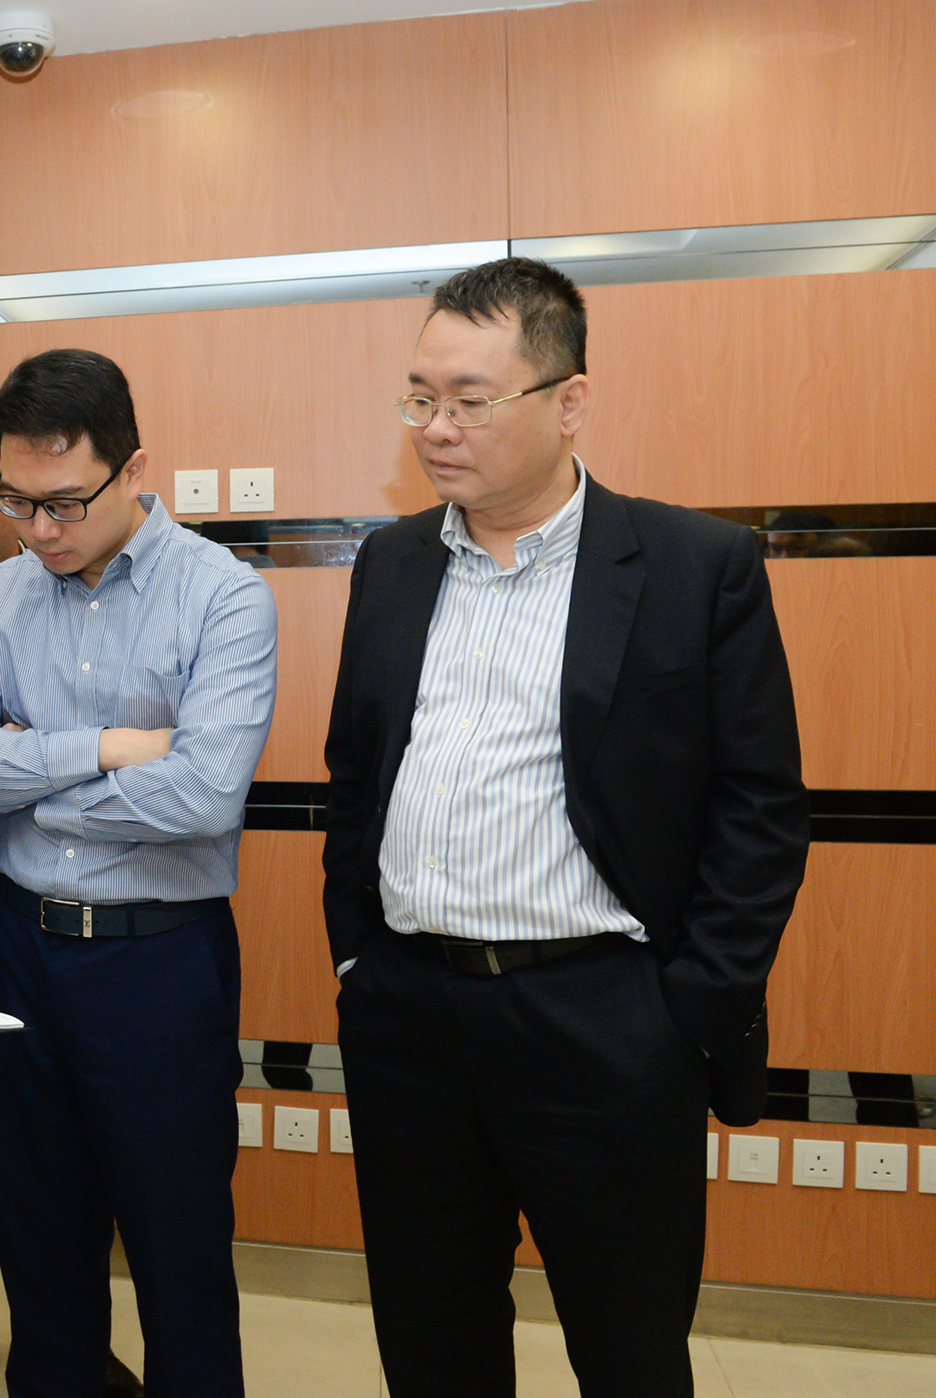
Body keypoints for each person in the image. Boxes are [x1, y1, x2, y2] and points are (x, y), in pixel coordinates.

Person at [322, 258, 808, 1398]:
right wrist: (358, 960)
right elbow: (357, 774)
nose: (436, 428)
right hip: (410, 1019)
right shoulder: (392, 563)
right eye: (420, 398)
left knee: (628, 1348)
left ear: (569, 400)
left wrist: (685, 1010)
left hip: (605, 1023)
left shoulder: (693, 566)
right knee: (431, 1341)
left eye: (470, 400)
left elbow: (760, 807)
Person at [0, 349, 278, 1398]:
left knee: (177, 1245)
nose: (39, 529)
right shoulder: (2, 597)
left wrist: (25, 776)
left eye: (66, 502)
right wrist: (111, 748)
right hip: (20, 949)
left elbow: (203, 796)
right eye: (15, 499)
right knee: (40, 1240)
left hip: (159, 963)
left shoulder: (223, 596)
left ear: (134, 469)